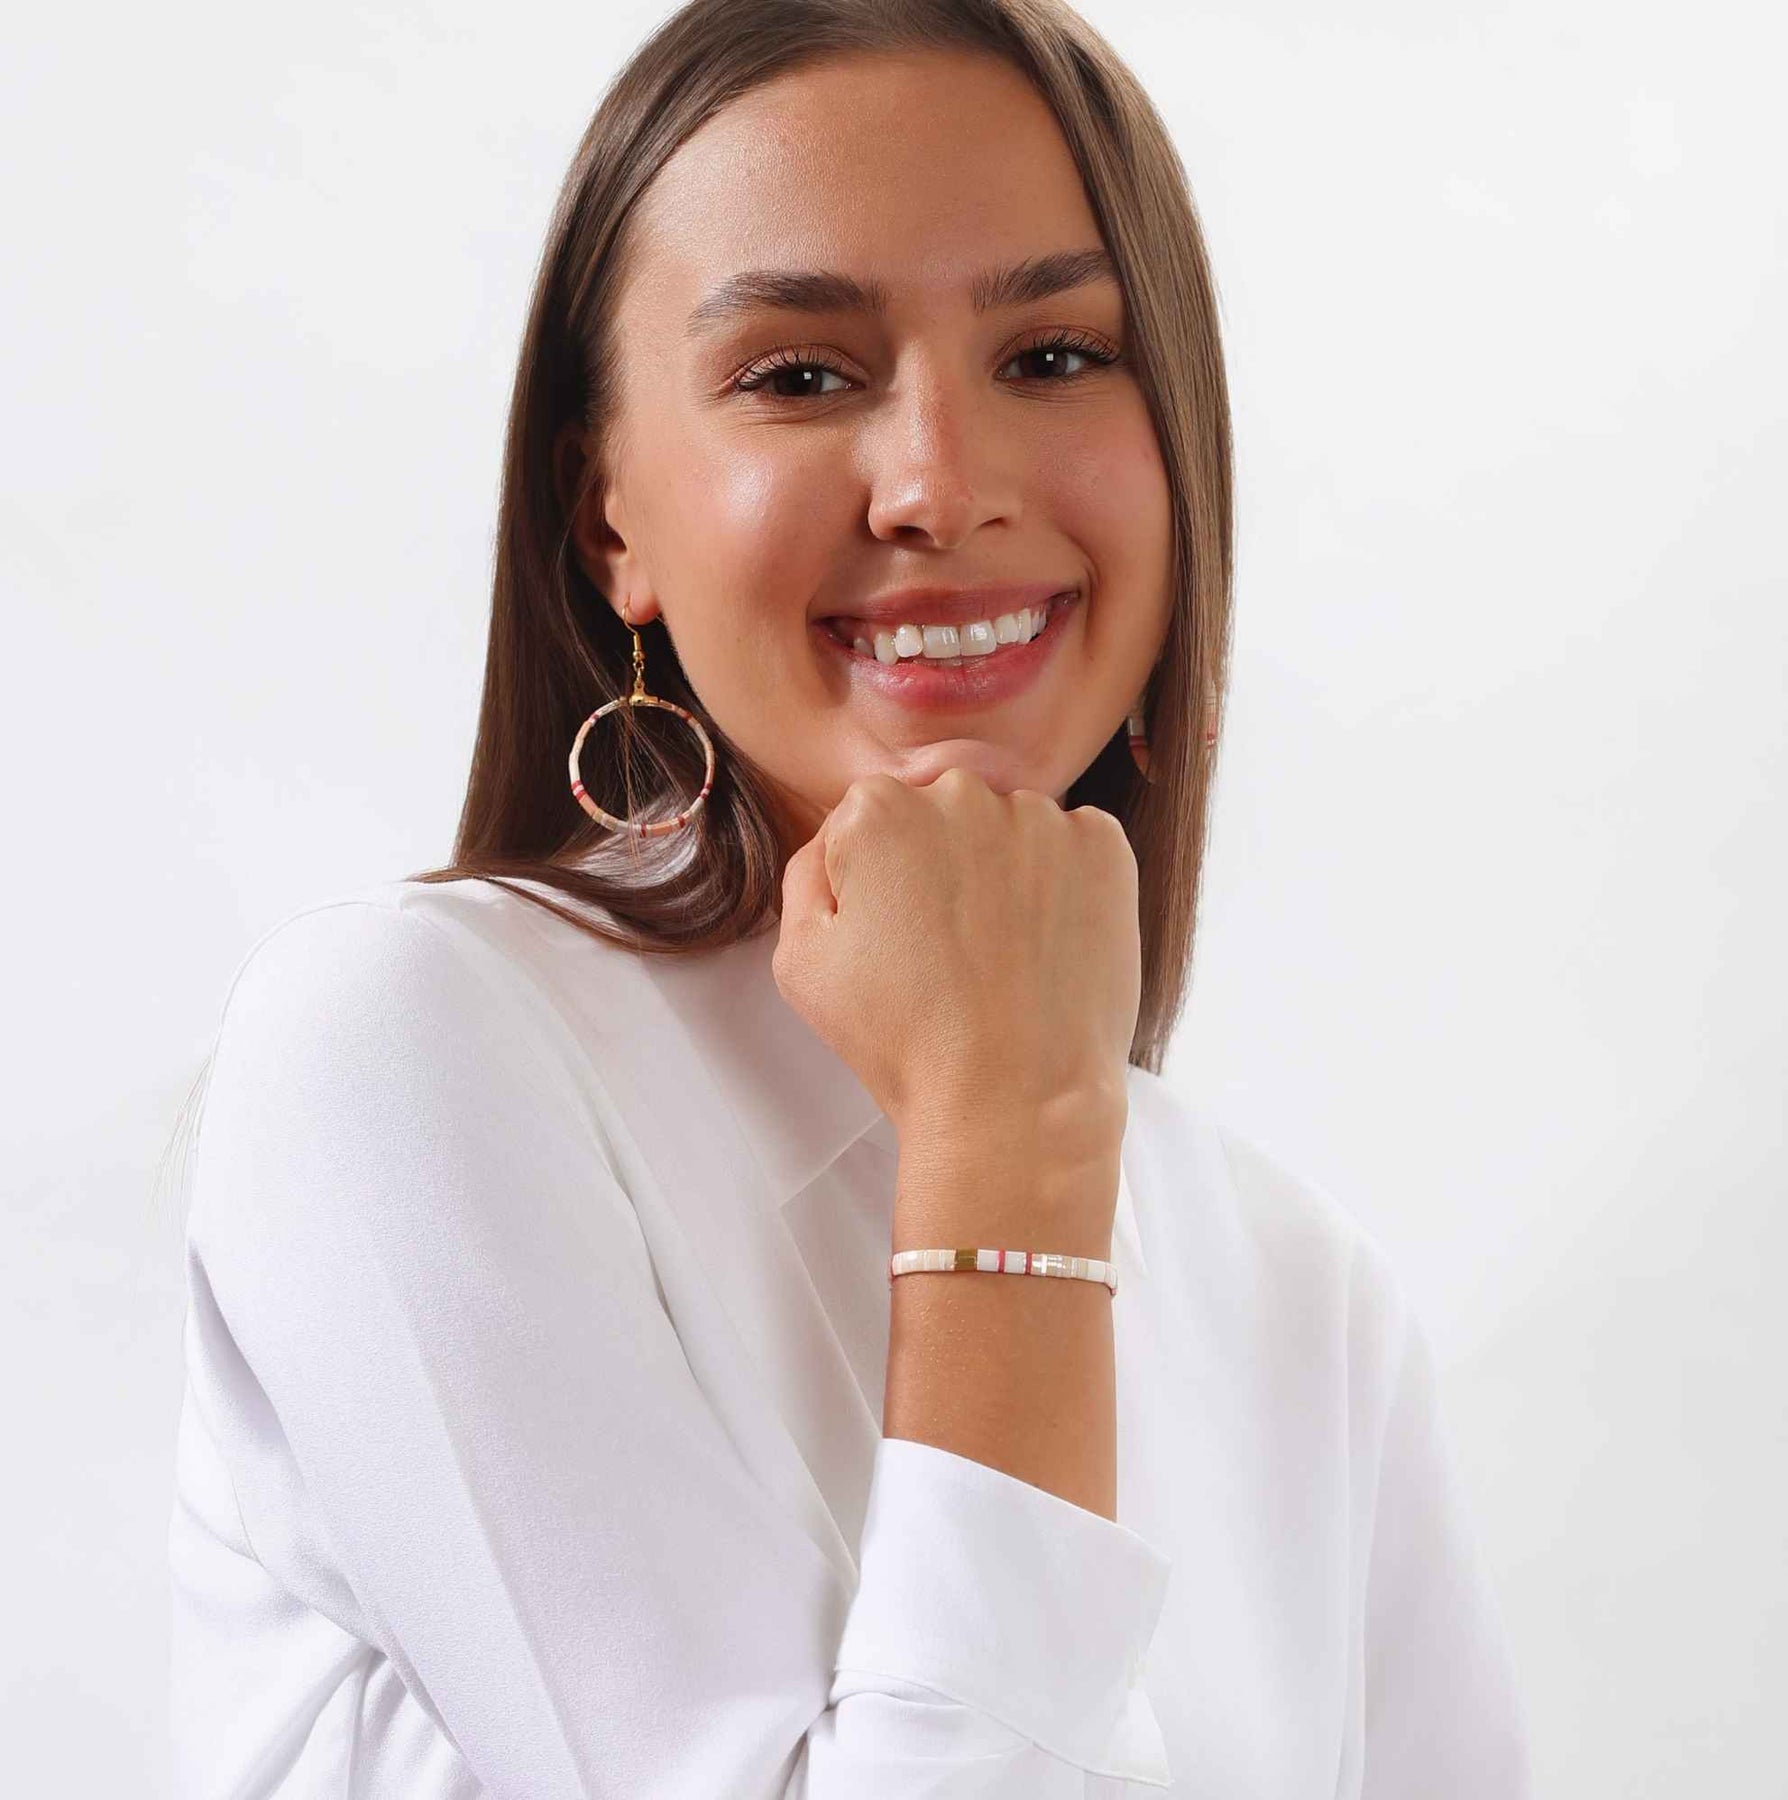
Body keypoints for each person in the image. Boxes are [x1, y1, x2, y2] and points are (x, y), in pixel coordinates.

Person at [166, 2, 1532, 1794]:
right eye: (801, 376)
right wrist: (1009, 1143)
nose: (941, 488)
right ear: (610, 519)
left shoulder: (1298, 1292)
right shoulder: (401, 1051)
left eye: (1055, 354)